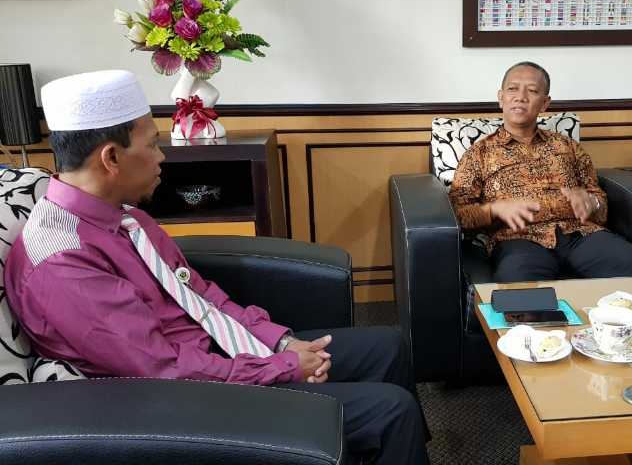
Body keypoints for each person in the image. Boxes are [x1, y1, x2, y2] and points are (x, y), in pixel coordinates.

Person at [3, 70, 428, 465]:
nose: (161, 157)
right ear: (111, 157)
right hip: (182, 403)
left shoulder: (127, 218)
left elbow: (201, 296)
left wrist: (280, 341)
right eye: (152, 144)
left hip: (217, 354)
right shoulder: (62, 260)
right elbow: (162, 370)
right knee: (391, 411)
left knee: (388, 347)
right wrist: (282, 367)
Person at [449, 61, 632, 282]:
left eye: (532, 91)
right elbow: (458, 216)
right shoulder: (478, 153)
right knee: (517, 279)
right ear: (501, 98)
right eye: (513, 89)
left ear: (545, 103)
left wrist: (591, 202)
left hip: (579, 233)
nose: (521, 97)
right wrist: (494, 209)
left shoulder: (568, 146)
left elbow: (599, 202)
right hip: (519, 239)